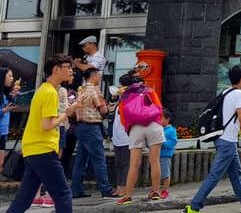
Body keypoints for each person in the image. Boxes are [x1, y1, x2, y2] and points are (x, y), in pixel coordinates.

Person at [6, 54, 80, 213]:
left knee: (25, 198)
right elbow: (47, 125)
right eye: (68, 68)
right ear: (56, 69)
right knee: (63, 194)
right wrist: (65, 114)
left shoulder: (44, 90)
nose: (71, 72)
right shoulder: (50, 93)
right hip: (43, 149)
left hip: (33, 149)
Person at [187, 65, 241, 213]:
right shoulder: (240, 94)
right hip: (228, 140)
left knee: (235, 172)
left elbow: (235, 114)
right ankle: (194, 206)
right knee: (215, 175)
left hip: (223, 138)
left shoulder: (226, 92)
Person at [117, 72, 165, 205]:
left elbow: (123, 119)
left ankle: (128, 196)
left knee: (134, 164)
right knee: (155, 161)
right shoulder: (149, 91)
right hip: (154, 125)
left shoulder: (124, 96)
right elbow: (159, 108)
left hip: (136, 128)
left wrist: (130, 128)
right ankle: (155, 192)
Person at [70, 67, 115, 198]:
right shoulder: (94, 90)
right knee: (99, 159)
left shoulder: (81, 90)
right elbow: (103, 110)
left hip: (80, 127)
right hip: (91, 127)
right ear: (94, 76)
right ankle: (106, 189)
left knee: (80, 160)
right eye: (98, 75)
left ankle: (76, 190)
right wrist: (109, 107)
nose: (99, 78)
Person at [0, 67, 21, 170]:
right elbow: (3, 110)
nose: (12, 79)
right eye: (9, 76)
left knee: (1, 162)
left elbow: (9, 106)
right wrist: (3, 110)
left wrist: (13, 96)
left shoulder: (5, 95)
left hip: (3, 131)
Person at [159, 110, 177, 199]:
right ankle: (157, 189)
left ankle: (165, 190)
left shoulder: (171, 130)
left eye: (161, 118)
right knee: (158, 174)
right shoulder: (159, 129)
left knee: (165, 174)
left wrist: (163, 143)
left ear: (167, 119)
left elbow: (173, 142)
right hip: (156, 155)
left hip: (165, 155)